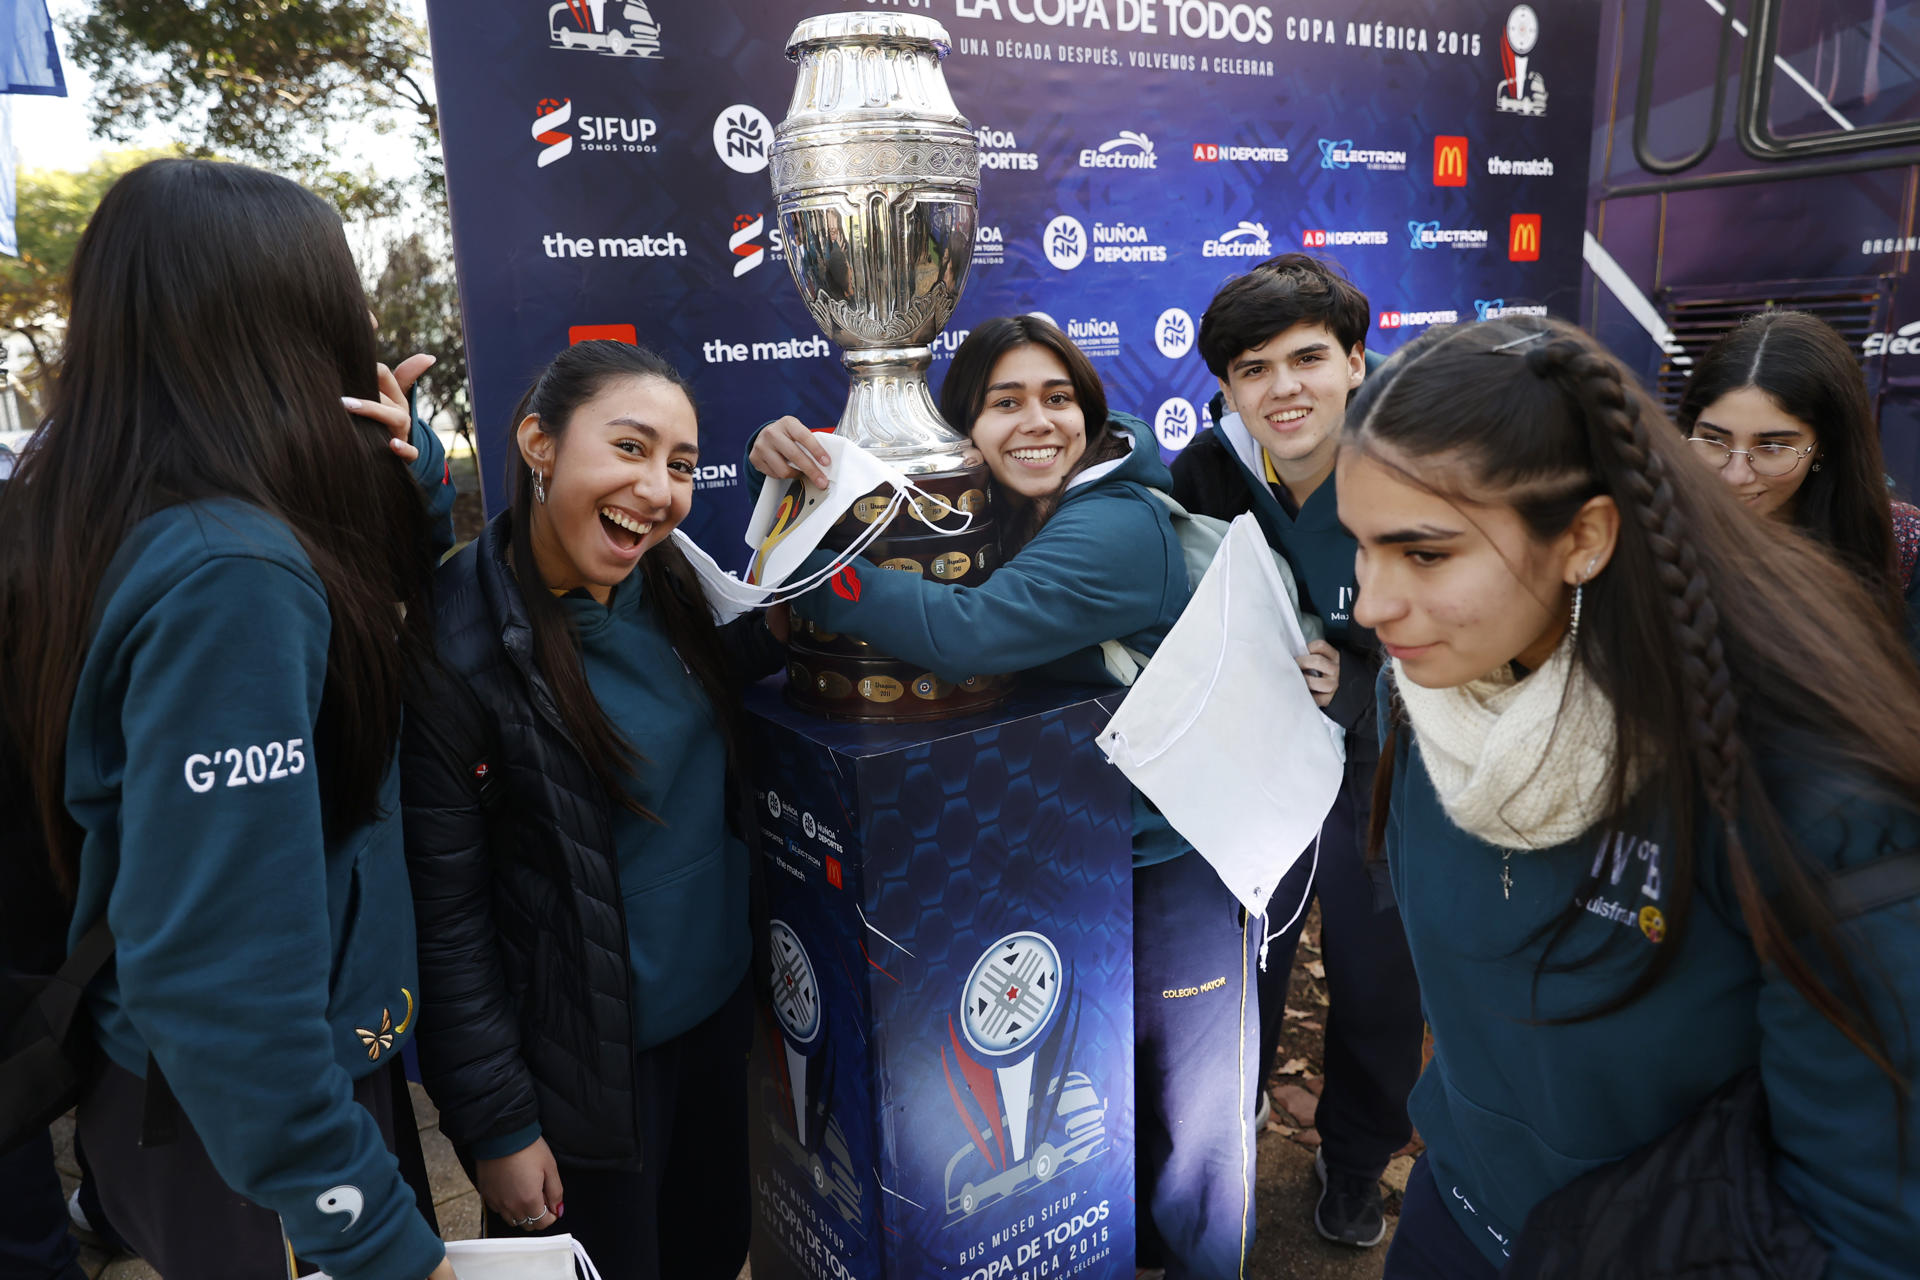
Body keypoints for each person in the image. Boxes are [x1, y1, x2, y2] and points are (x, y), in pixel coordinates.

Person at [1340, 318, 1920, 1278]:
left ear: (1585, 538)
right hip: (1455, 1218)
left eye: (1427, 554)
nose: (1371, 603)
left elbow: (1868, 1216)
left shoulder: (1809, 785)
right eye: (1361, 548)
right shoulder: (1426, 690)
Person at [0, 158, 455, 1279]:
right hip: (256, 1125)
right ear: (290, 328)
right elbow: (220, 974)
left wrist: (411, 492)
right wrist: (373, 1228)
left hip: (210, 1103)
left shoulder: (102, 520)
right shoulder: (232, 579)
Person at [754, 316, 1263, 1280]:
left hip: (1183, 858)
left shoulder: (1115, 523)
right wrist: (781, 473)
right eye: (1005, 402)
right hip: (1085, 858)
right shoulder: (996, 509)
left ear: (1090, 414)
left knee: (1195, 1124)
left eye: (1058, 397)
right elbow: (873, 509)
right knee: (1107, 1101)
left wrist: (810, 573)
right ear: (966, 429)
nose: (1038, 421)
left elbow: (973, 633)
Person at [399, 339, 785, 1280]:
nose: (658, 490)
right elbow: (449, 923)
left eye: (682, 465)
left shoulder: (673, 581)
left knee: (710, 1247)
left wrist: (799, 504)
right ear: (539, 441)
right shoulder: (459, 639)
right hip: (588, 1085)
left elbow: (734, 683)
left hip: (716, 1031)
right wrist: (497, 1126)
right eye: (629, 447)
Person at [1172, 254, 1423, 1250]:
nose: (1283, 388)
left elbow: (1497, 612)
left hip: (1387, 772)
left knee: (1379, 983)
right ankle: (1217, 1164)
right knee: (1245, 975)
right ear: (1227, 386)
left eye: (1307, 358)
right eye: (1252, 368)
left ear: (1357, 361)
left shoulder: (1419, 458)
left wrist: (1376, 673)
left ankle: (1355, 1161)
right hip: (1259, 767)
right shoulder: (1205, 470)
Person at [1676, 308, 1920, 647]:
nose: (1735, 475)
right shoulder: (1652, 532)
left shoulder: (1899, 546)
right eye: (1715, 441)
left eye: (1771, 447)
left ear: (1824, 445)